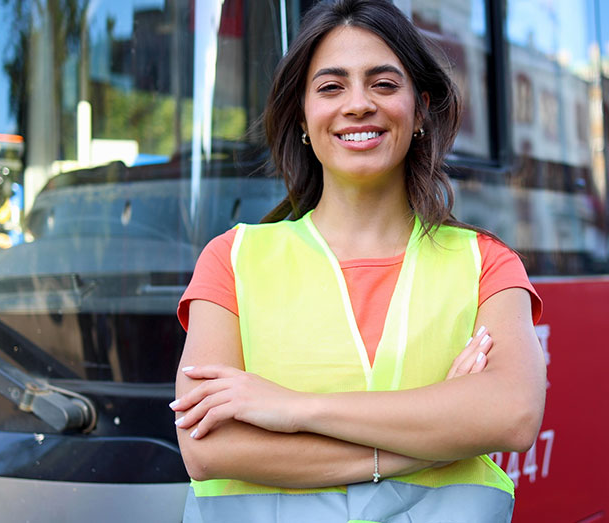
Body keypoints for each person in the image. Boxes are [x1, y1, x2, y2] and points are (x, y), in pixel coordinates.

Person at [171, 0, 547, 520]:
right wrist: (442, 432)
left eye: (384, 84)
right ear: (302, 117)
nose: (358, 104)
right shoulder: (231, 261)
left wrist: (293, 409)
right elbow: (208, 448)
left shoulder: (487, 265)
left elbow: (512, 415)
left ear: (420, 109)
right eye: (331, 87)